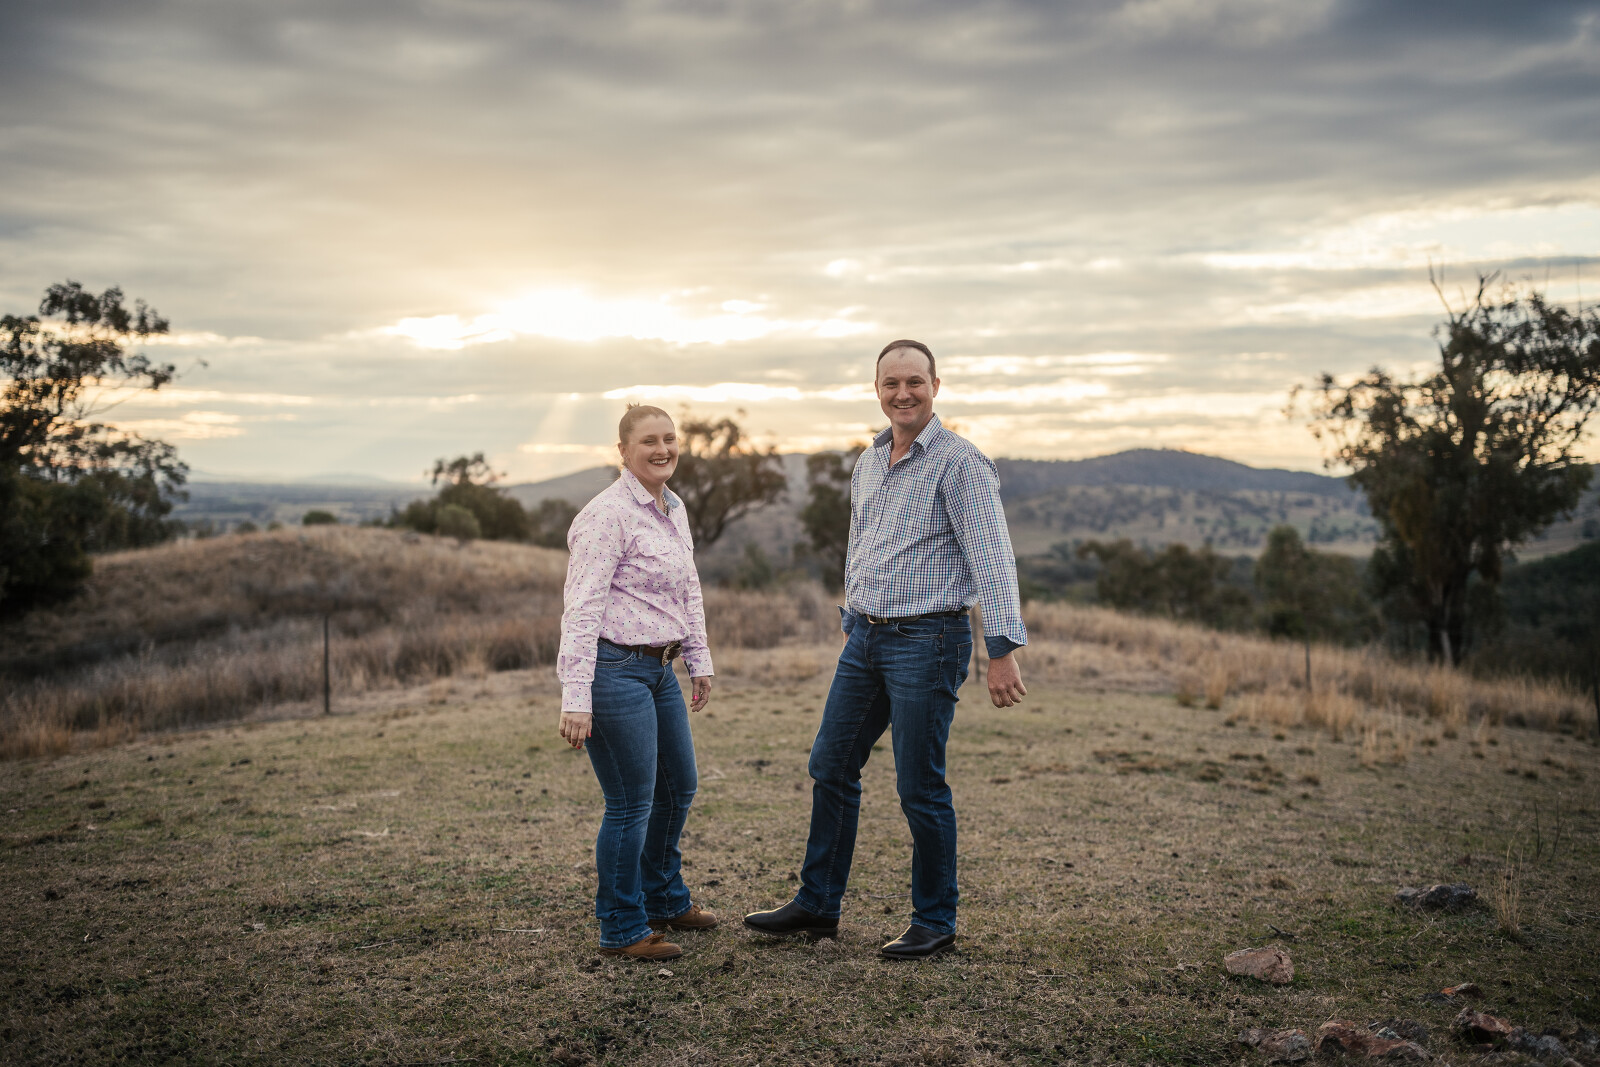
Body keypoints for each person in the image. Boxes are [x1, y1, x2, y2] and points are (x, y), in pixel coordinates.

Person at [744, 339, 1028, 959]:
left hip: (930, 639)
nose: (903, 393)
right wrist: (853, 614)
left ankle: (935, 920)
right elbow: (862, 543)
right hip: (866, 637)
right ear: (876, 390)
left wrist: (1001, 648)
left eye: (914, 382)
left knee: (919, 786)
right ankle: (818, 903)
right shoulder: (869, 461)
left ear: (935, 386)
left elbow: (992, 558)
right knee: (830, 764)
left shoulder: (961, 464)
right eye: (891, 383)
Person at [556, 404, 716, 961]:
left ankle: (664, 898)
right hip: (613, 671)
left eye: (669, 439)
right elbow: (581, 609)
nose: (662, 449)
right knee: (630, 804)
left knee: (679, 788)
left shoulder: (674, 508)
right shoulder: (606, 516)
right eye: (648, 441)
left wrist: (698, 657)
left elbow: (687, 588)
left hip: (660, 669)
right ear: (623, 451)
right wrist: (576, 696)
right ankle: (622, 926)